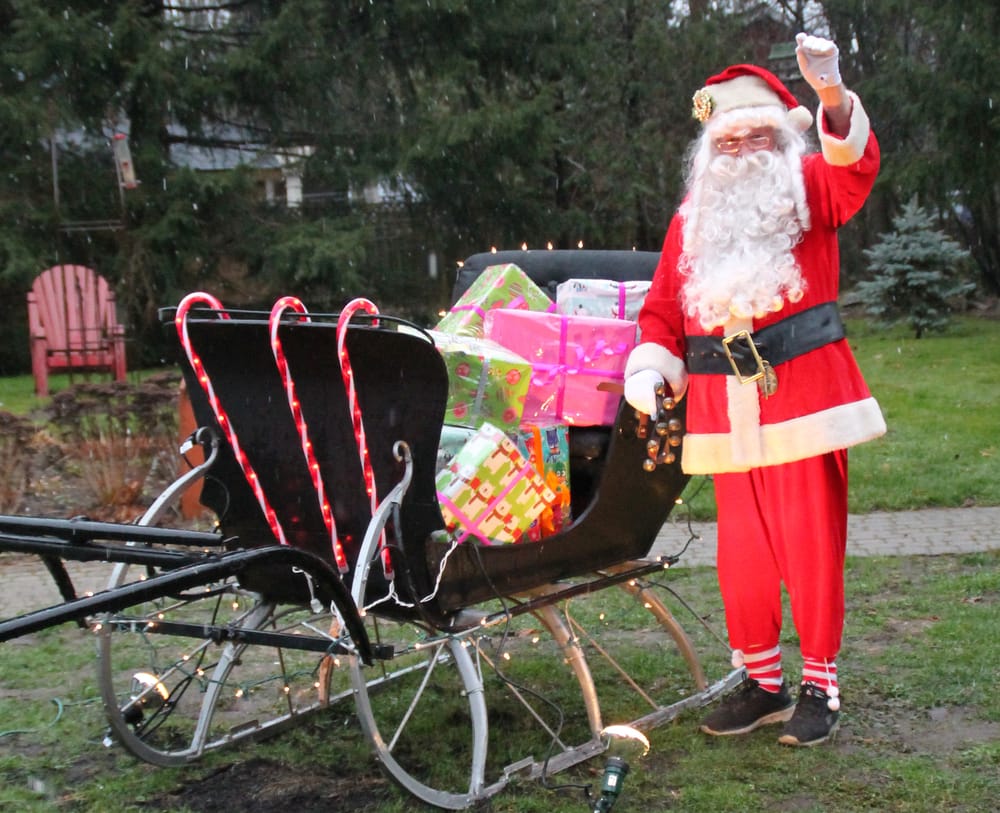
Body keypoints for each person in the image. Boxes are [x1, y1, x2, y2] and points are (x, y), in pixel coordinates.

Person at [623, 33, 885, 746]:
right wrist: (652, 361)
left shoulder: (810, 193)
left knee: (808, 545)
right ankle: (763, 681)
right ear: (710, 151)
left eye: (754, 138)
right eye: (727, 142)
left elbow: (853, 165)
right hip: (721, 409)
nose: (739, 154)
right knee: (742, 554)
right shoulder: (690, 220)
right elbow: (663, 306)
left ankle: (820, 686)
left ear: (780, 140)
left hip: (804, 398)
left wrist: (830, 93)